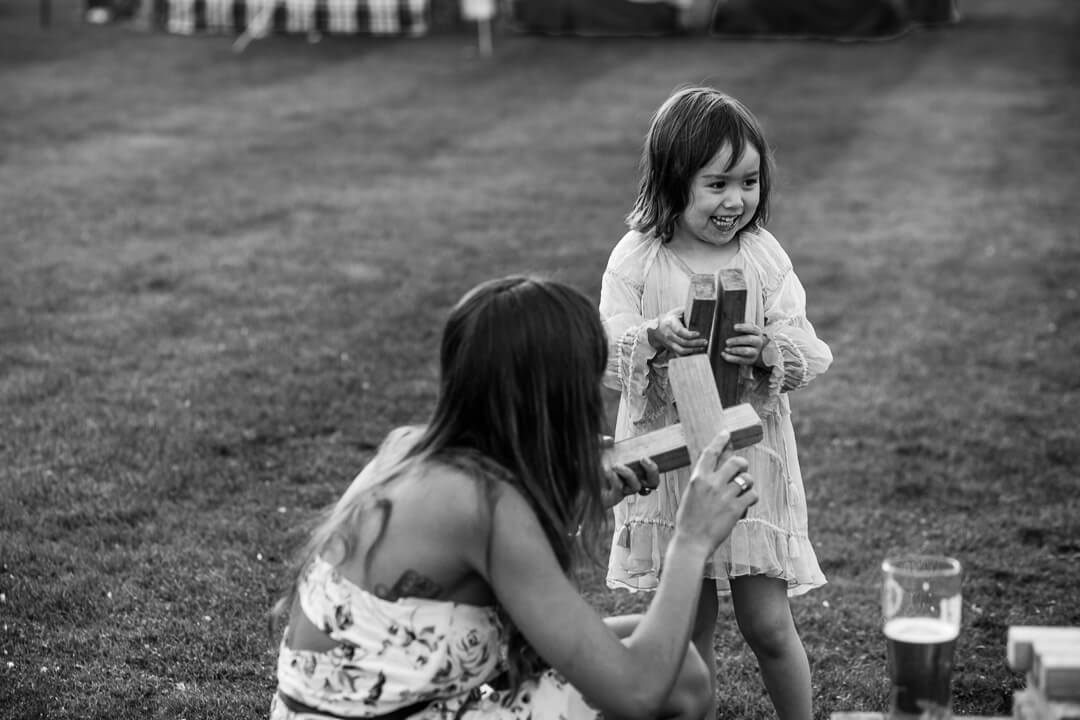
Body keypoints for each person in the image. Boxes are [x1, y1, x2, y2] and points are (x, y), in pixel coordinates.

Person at [269, 275, 759, 720]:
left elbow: (488, 588)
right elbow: (637, 691)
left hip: (335, 707)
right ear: (559, 397)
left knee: (664, 653)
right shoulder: (486, 505)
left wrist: (571, 508)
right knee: (681, 683)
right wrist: (691, 540)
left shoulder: (407, 448)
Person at [600, 86, 833, 720]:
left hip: (745, 461)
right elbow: (606, 345)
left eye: (750, 181)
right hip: (671, 467)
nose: (737, 201)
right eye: (717, 184)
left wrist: (767, 349)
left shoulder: (761, 256)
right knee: (687, 627)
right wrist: (649, 335)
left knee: (767, 623)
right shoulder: (638, 259)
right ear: (673, 181)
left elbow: (809, 351)